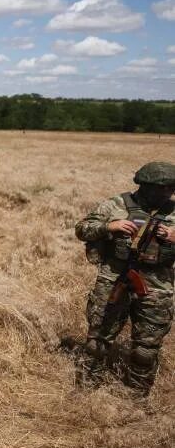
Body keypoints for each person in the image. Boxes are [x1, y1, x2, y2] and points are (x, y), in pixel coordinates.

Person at [75, 161, 175, 395]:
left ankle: (136, 397)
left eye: (171, 188)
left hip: (157, 286)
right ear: (147, 186)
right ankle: (88, 391)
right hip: (114, 280)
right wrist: (110, 226)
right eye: (165, 188)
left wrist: (173, 235)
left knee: (146, 349)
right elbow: (82, 229)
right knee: (97, 341)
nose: (169, 193)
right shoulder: (116, 205)